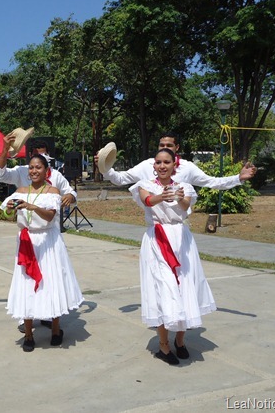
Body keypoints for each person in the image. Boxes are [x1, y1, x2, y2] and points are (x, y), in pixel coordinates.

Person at [130, 148, 216, 365]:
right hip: (158, 238)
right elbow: (147, 201)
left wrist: (179, 197)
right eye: (158, 162)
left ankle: (180, 340)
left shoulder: (184, 186)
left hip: (181, 239)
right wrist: (161, 196)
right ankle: (163, 345)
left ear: (174, 164)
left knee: (184, 287)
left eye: (166, 162)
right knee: (162, 289)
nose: (162, 166)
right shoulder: (145, 185)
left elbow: (187, 205)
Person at [0, 134, 78, 332]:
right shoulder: (22, 172)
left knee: (50, 277)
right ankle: (27, 316)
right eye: (34, 159)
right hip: (28, 236)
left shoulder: (56, 176)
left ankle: (50, 313)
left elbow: (70, 192)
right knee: (26, 278)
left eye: (41, 160)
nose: (35, 169)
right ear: (30, 154)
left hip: (49, 235)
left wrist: (68, 196)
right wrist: (5, 150)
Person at [96, 131, 256, 189]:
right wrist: (105, 167)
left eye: (169, 145)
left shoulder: (187, 167)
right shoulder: (146, 166)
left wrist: (238, 178)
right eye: (161, 144)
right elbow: (120, 179)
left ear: (177, 147)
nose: (164, 147)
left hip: (179, 233)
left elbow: (212, 182)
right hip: (155, 232)